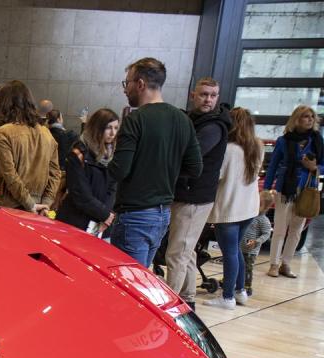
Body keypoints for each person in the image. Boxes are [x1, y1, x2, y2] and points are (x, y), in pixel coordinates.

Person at [108, 58, 202, 268]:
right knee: (142, 279)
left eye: (127, 83)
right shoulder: (182, 119)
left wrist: (103, 161)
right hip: (162, 215)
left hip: (134, 215)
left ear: (140, 84)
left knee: (129, 284)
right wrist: (164, 170)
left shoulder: (135, 119)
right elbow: (195, 168)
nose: (125, 89)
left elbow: (120, 170)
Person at [165, 78, 231, 308]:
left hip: (194, 198)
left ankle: (169, 308)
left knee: (176, 254)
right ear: (194, 95)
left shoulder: (213, 126)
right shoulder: (196, 120)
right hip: (188, 194)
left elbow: (191, 154)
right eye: (204, 94)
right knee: (186, 251)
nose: (208, 99)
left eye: (213, 95)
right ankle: (188, 297)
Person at [204, 107, 262, 309]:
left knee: (229, 253)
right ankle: (240, 291)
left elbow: (216, 175)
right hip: (249, 208)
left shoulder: (227, 149)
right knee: (236, 250)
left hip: (229, 208)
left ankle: (227, 296)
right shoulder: (257, 147)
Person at [262, 104, 324, 278]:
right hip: (285, 188)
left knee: (297, 229)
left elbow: (323, 166)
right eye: (306, 116)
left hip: (306, 189)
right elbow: (273, 164)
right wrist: (267, 188)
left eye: (312, 116)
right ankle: (274, 264)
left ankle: (286, 264)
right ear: (297, 119)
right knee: (281, 228)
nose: (310, 119)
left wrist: (314, 167)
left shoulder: (318, 140)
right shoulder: (284, 140)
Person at [0, 80, 59, 214]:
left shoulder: (3, 132)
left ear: (4, 104)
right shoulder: (47, 133)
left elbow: (10, 175)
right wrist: (46, 203)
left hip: (9, 206)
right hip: (39, 207)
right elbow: (55, 174)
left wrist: (29, 203)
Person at [56, 108, 119, 233]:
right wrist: (105, 214)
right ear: (97, 128)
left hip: (99, 222)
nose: (113, 133)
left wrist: (106, 215)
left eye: (116, 128)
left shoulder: (113, 156)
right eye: (108, 128)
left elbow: (112, 189)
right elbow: (80, 192)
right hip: (74, 220)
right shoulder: (79, 153)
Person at [240, 192, 273, 297]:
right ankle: (233, 281)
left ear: (266, 207)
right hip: (240, 247)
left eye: (260, 204)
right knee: (237, 264)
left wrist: (257, 241)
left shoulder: (263, 220)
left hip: (251, 251)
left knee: (247, 268)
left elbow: (267, 234)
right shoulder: (249, 215)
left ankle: (247, 286)